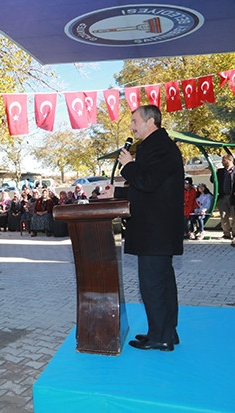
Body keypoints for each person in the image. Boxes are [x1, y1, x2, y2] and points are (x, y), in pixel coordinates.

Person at [118, 104, 183, 352]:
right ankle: (165, 331)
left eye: (135, 121)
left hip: (156, 231)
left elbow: (145, 181)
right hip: (157, 230)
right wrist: (114, 192)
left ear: (150, 122)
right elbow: (151, 187)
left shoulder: (158, 147)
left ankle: (161, 337)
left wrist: (128, 164)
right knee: (162, 282)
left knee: (154, 284)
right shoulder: (157, 145)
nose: (132, 126)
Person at [210, 154, 235, 239]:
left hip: (233, 197)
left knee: (234, 216)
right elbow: (213, 181)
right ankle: (226, 234)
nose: (222, 162)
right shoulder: (220, 172)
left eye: (224, 160)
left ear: (230, 160)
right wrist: (213, 172)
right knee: (224, 216)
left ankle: (234, 234)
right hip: (223, 196)